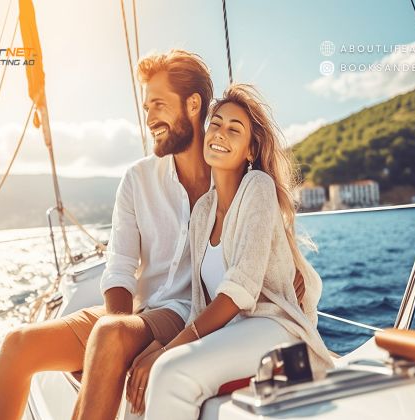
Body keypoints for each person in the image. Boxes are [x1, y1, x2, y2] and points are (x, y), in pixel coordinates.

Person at [0, 50, 305, 420]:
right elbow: (119, 268)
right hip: (136, 313)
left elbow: (269, 259)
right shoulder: (138, 179)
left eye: (159, 105)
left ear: (193, 105)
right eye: (146, 107)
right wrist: (120, 327)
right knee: (19, 345)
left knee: (111, 336)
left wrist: (122, 337)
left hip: (186, 314)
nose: (148, 119)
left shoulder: (232, 183)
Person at [125, 84, 335, 420]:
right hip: (233, 334)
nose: (220, 133)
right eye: (216, 124)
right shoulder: (203, 213)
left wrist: (167, 350)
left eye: (233, 129)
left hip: (277, 331)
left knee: (169, 372)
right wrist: (151, 351)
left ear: (249, 150)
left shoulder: (258, 187)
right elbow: (200, 305)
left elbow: (240, 290)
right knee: (139, 375)